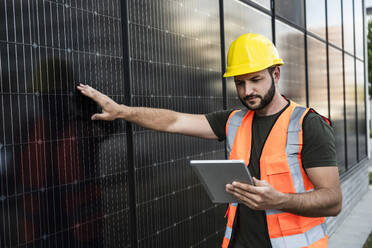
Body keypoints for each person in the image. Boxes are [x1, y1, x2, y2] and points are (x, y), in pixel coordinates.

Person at [76, 33, 342, 248]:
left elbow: (333, 201)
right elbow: (174, 121)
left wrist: (280, 200)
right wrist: (122, 111)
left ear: (275, 74)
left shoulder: (307, 125)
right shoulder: (234, 120)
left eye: (255, 80)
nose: (247, 91)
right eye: (239, 83)